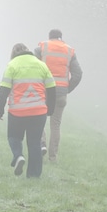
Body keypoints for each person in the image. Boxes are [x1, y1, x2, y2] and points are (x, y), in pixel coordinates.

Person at [0, 43, 55, 178]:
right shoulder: (41, 64)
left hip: (18, 112)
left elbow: (3, 90)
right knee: (34, 143)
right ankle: (33, 176)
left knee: (14, 137)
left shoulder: (12, 65)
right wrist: (50, 109)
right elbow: (52, 89)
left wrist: (0, 110)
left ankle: (18, 156)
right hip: (38, 111)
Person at [34, 29, 82, 162]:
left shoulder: (41, 49)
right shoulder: (69, 51)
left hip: (43, 91)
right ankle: (53, 157)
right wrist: (67, 89)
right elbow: (78, 74)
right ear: (61, 38)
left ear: (49, 38)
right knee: (55, 124)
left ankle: (41, 144)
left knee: (39, 120)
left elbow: (33, 67)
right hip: (60, 93)